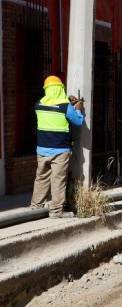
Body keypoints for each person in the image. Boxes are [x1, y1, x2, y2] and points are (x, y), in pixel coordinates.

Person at [30, 76, 85, 218]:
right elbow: (78, 121)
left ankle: (36, 207)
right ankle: (56, 211)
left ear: (46, 89)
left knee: (41, 177)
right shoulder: (65, 107)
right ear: (61, 89)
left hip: (42, 149)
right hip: (60, 150)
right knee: (58, 179)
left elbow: (52, 109)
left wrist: (67, 103)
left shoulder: (38, 105)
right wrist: (78, 108)